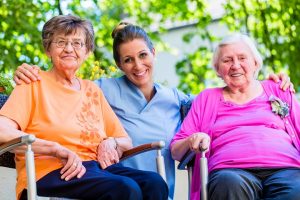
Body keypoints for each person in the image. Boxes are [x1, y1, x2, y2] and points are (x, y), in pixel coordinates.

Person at [13, 23, 294, 200]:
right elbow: (60, 85)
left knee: (151, 183)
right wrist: (24, 71)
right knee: (129, 189)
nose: (137, 65)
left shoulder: (179, 98)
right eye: (128, 60)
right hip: (100, 175)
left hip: (123, 177)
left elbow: (227, 101)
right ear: (119, 66)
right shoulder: (102, 88)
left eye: (143, 55)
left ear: (154, 53)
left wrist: (270, 84)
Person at [0, 15, 168, 200]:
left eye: (78, 43)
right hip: (50, 171)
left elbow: (125, 140)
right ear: (48, 49)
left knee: (154, 182)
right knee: (124, 188)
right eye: (61, 42)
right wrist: (55, 149)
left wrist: (111, 142)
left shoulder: (92, 90)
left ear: (87, 51)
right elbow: (2, 130)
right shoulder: (32, 83)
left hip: (95, 170)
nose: (69, 49)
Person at [170, 33, 300, 200]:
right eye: (227, 60)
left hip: (286, 168)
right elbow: (175, 151)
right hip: (230, 171)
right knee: (228, 184)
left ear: (255, 63)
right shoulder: (206, 98)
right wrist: (192, 140)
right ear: (218, 69)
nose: (235, 65)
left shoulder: (278, 89)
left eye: (242, 58)